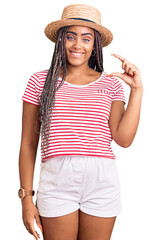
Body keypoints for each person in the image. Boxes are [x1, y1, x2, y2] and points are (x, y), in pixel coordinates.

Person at [18, 4, 143, 240]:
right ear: (60, 41)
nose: (78, 45)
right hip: (56, 182)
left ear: (94, 45)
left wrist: (137, 90)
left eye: (86, 39)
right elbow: (28, 143)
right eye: (70, 37)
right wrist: (26, 198)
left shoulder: (111, 84)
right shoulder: (39, 82)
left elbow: (123, 139)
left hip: (102, 181)